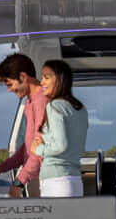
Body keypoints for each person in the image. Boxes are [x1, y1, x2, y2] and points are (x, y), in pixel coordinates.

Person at [0, 52, 46, 198]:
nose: (9, 89)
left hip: (45, 180)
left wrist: (18, 183)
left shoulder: (41, 101)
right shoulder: (30, 102)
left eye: (10, 84)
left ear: (22, 77)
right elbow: (28, 147)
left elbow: (40, 150)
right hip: (35, 177)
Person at [31, 59, 88, 198]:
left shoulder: (54, 106)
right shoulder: (79, 108)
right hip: (74, 181)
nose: (42, 82)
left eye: (47, 77)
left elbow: (60, 146)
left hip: (56, 181)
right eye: (41, 78)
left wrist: (38, 149)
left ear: (60, 79)